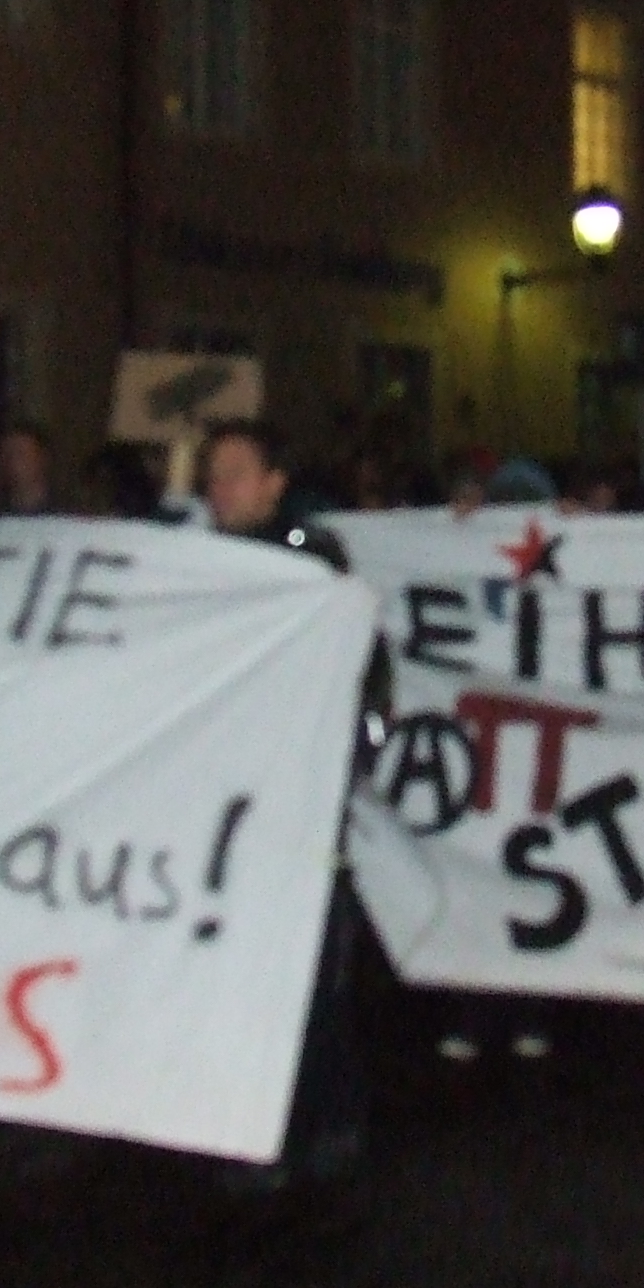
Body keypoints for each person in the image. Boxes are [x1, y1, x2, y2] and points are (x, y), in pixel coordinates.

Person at [202, 420, 373, 1179]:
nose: (220, 487)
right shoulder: (195, 562)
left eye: (237, 471)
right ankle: (252, 1122)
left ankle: (322, 1121)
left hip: (297, 803)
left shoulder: (310, 561)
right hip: (224, 803)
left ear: (275, 483)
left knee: (304, 971)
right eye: (212, 473)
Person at [0, 423, 59, 517]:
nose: (12, 461)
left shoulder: (66, 511)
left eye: (20, 454)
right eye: (7, 454)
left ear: (42, 457)